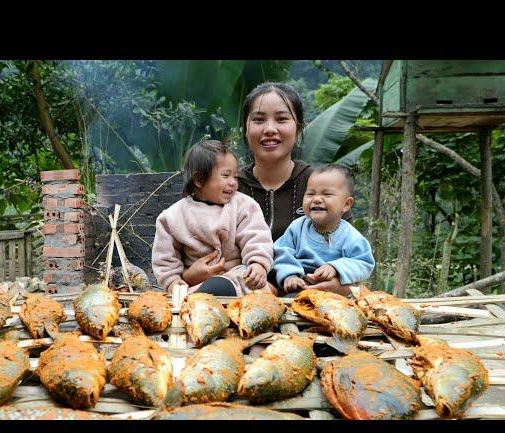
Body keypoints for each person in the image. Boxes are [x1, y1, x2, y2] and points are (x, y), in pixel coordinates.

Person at [236, 81, 353, 296]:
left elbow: (351, 255)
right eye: (259, 120)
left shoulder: (322, 187)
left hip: (308, 303)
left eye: (281, 119)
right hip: (241, 302)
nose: (270, 129)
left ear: (298, 127)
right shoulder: (229, 187)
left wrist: (339, 283)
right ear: (245, 128)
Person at [152, 139, 273, 297]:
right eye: (225, 175)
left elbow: (256, 237)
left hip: (239, 279)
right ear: (199, 180)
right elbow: (165, 260)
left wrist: (258, 265)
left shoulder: (244, 206)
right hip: (197, 286)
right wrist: (174, 283)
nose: (233, 182)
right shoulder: (172, 217)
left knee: (248, 287)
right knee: (202, 293)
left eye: (235, 177)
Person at [273, 164, 375, 296]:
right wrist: (290, 275)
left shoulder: (350, 236)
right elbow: (282, 252)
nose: (316, 199)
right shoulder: (297, 227)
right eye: (310, 194)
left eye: (327, 194)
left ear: (346, 204)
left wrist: (336, 268)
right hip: (301, 288)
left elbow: (364, 262)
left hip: (336, 294)